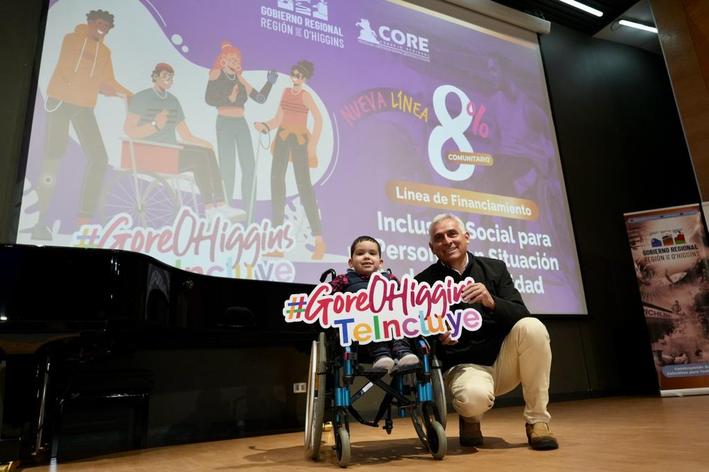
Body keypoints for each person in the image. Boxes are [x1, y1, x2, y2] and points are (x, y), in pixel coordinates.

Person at [415, 213, 558, 450]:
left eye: (452, 234)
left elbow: (520, 312)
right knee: (472, 399)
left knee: (533, 327)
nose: (447, 241)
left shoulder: (495, 268)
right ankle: (470, 419)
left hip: (503, 361)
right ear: (432, 247)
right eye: (439, 238)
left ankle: (537, 420)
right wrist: (438, 337)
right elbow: (418, 334)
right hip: (464, 366)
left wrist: (491, 301)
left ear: (466, 237)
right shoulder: (423, 282)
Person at [31, 9, 132, 240]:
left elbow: (107, 82)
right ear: (90, 22)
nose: (102, 29)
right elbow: (72, 70)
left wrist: (128, 94)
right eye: (99, 23)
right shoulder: (72, 39)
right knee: (54, 156)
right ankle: (41, 222)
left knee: (99, 158)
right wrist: (100, 85)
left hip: (83, 107)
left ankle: (84, 220)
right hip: (60, 102)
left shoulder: (105, 52)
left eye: (106, 26)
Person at [124, 63, 243, 222]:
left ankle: (221, 204)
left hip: (170, 151)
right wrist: (155, 125)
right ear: (155, 76)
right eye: (165, 76)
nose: (168, 79)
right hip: (151, 153)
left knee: (207, 152)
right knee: (199, 158)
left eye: (171, 77)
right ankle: (210, 208)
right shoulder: (142, 98)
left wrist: (205, 143)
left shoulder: (173, 101)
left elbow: (186, 135)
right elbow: (129, 130)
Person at [254, 60, 326, 259]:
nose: (295, 77)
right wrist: (266, 126)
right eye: (294, 73)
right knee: (276, 184)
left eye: (299, 75)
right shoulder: (285, 92)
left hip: (299, 141)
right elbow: (278, 118)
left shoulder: (306, 96)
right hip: (283, 138)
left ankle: (319, 241)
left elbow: (319, 119)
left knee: (304, 187)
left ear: (305, 78)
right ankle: (277, 244)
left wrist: (312, 146)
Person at [205, 41, 278, 221]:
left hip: (241, 123)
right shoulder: (216, 74)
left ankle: (249, 215)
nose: (235, 61)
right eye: (231, 58)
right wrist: (228, 98)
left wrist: (269, 83)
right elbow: (209, 99)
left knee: (249, 168)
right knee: (227, 169)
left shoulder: (240, 79)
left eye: (237, 58)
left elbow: (260, 98)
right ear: (223, 60)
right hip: (225, 122)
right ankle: (226, 212)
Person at [328, 236, 419, 373]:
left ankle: (403, 351)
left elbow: (406, 299)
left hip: (391, 322)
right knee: (370, 317)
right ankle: (381, 354)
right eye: (360, 253)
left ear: (380, 262)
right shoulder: (344, 279)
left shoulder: (390, 279)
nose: (366, 257)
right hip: (361, 327)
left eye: (372, 253)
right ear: (351, 262)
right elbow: (324, 295)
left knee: (400, 314)